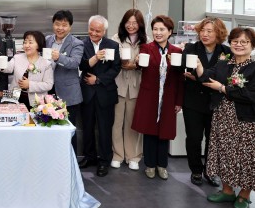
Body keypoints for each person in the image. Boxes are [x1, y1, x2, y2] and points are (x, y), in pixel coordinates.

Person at [197, 27, 255, 208]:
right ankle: (227, 191)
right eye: (235, 41)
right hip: (223, 119)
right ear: (230, 44)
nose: (239, 45)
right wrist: (197, 65)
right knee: (224, 154)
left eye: (244, 42)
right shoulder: (224, 64)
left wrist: (223, 88)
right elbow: (206, 77)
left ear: (253, 45)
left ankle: (244, 195)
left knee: (248, 158)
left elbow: (253, 96)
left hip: (247, 123)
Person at [131, 15, 184, 180]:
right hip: (149, 96)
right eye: (155, 29)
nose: (158, 32)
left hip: (168, 97)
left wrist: (178, 101)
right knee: (149, 132)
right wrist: (137, 61)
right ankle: (150, 165)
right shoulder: (146, 48)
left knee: (165, 131)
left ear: (170, 31)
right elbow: (140, 66)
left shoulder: (176, 51)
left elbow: (180, 78)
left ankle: (162, 165)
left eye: (162, 29)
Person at [182, 17, 231, 186]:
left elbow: (224, 77)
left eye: (209, 31)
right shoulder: (191, 48)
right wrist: (200, 76)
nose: (204, 34)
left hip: (216, 102)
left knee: (213, 140)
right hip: (193, 101)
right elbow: (183, 69)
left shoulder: (226, 52)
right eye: (202, 30)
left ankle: (210, 171)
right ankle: (196, 170)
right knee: (194, 138)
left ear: (219, 33)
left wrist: (198, 77)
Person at [78, 15, 121, 177]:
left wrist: (98, 79)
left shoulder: (112, 45)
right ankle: (89, 157)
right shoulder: (81, 44)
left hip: (105, 93)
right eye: (92, 29)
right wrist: (95, 58)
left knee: (104, 129)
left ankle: (104, 160)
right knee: (87, 127)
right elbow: (81, 65)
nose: (94, 33)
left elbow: (116, 68)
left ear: (104, 31)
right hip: (87, 92)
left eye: (98, 31)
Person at [110, 9, 147, 171]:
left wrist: (137, 65)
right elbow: (112, 61)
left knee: (133, 123)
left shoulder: (146, 41)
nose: (131, 26)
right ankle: (117, 154)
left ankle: (133, 156)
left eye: (135, 23)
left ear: (140, 24)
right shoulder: (116, 38)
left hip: (136, 87)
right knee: (116, 122)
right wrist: (122, 63)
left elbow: (149, 64)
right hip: (118, 85)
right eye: (128, 22)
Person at [45, 10, 83, 153]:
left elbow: (75, 63)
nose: (60, 28)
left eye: (64, 25)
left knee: (68, 129)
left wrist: (59, 57)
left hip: (68, 94)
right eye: (57, 24)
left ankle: (71, 159)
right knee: (49, 127)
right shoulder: (47, 40)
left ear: (70, 27)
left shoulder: (77, 43)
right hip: (49, 91)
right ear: (53, 24)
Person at [0, 31, 53, 110]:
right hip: (14, 96)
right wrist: (2, 63)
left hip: (36, 100)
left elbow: (48, 85)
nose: (26, 45)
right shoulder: (17, 57)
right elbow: (7, 69)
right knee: (12, 116)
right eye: (25, 42)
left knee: (33, 117)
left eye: (30, 42)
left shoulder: (46, 63)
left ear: (39, 45)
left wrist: (30, 85)